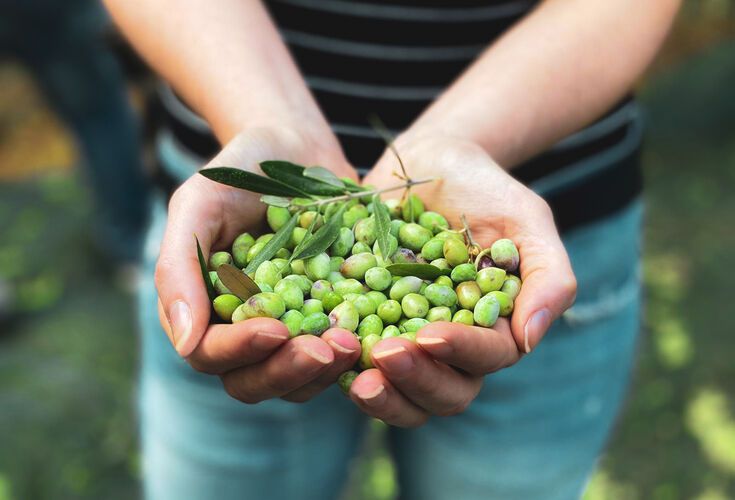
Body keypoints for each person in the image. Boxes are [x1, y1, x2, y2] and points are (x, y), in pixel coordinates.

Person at [104, 1, 681, 499]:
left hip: (536, 227)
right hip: (229, 206)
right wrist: (268, 117)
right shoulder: (260, 258)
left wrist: (463, 137)